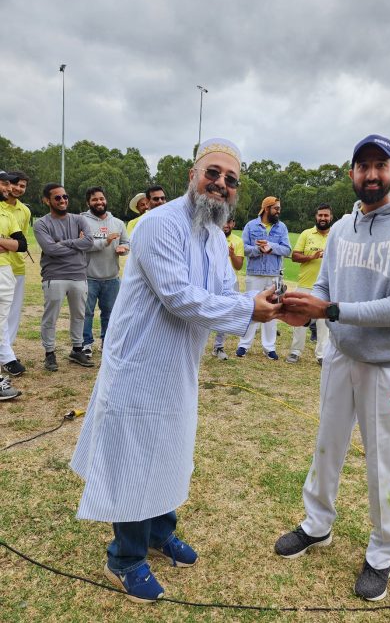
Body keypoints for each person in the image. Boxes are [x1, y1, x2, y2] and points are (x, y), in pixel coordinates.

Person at [70, 138, 281, 604]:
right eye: (213, 173)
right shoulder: (157, 224)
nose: (221, 184)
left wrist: (255, 305)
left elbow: (225, 293)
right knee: (136, 457)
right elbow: (179, 296)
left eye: (231, 180)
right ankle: (124, 558)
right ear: (193, 175)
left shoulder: (213, 235)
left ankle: (159, 533)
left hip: (179, 365)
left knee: (171, 448)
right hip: (141, 363)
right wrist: (249, 309)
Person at [274, 134, 390, 602]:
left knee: (385, 462)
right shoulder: (342, 228)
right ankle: (316, 524)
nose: (371, 174)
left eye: (379, 166)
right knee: (327, 445)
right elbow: (324, 285)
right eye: (362, 166)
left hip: (388, 365)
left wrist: (329, 312)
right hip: (340, 356)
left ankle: (383, 552)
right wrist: (304, 307)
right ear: (351, 173)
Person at [33, 183, 95, 372]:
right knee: (50, 317)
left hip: (78, 275)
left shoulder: (78, 219)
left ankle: (77, 349)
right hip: (55, 276)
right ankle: (49, 353)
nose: (63, 200)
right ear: (47, 200)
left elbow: (89, 241)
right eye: (58, 197)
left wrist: (64, 243)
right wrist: (77, 243)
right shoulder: (41, 224)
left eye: (65, 197)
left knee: (79, 315)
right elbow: (50, 249)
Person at [236, 196, 291, 360]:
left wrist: (271, 246)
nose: (278, 211)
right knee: (251, 309)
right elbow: (244, 249)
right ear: (266, 208)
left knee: (273, 310)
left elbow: (287, 250)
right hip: (254, 273)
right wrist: (259, 250)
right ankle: (243, 344)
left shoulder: (282, 228)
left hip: (275, 275)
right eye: (276, 208)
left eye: (279, 208)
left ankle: (269, 347)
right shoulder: (250, 226)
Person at [81, 187, 130, 359]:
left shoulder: (117, 222)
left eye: (101, 199)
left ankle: (106, 342)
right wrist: (105, 241)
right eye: (94, 200)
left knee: (110, 313)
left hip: (112, 278)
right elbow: (82, 244)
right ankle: (85, 344)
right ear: (88, 202)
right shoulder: (82, 221)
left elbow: (126, 242)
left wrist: (124, 249)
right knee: (85, 313)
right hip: (88, 277)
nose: (99, 202)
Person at [286, 203, 333, 365]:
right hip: (305, 284)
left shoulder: (336, 234)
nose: (323, 218)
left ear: (331, 217)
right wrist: (311, 257)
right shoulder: (307, 233)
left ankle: (321, 355)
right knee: (299, 320)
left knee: (324, 323)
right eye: (320, 215)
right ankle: (295, 352)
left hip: (327, 287)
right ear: (316, 216)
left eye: (326, 215)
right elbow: (295, 256)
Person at [0, 171, 31, 377]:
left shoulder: (12, 214)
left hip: (9, 268)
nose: (9, 188)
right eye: (4, 184)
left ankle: (6, 354)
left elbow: (21, 244)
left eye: (8, 184)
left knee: (6, 314)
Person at [212, 215, 244, 360]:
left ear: (233, 224)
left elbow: (239, 265)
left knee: (226, 313)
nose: (226, 225)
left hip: (229, 282)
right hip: (211, 280)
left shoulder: (237, 241)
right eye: (223, 221)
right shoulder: (211, 237)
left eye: (229, 222)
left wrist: (231, 255)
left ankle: (218, 347)